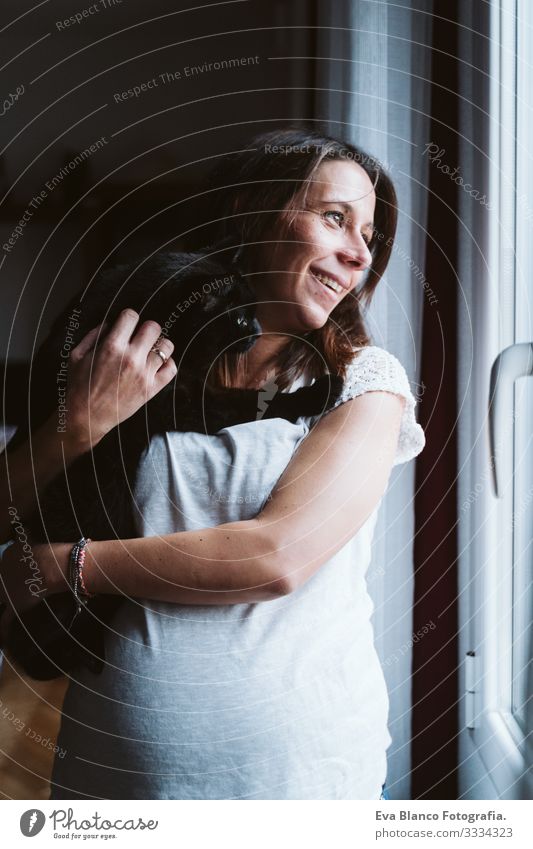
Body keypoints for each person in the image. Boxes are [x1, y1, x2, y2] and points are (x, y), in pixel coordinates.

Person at [0, 127, 425, 800]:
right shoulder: (131, 349)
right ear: (250, 212)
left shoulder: (367, 382)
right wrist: (78, 424)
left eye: (368, 237)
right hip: (111, 766)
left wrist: (67, 563)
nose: (354, 254)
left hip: (297, 778)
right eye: (334, 217)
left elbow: (275, 557)